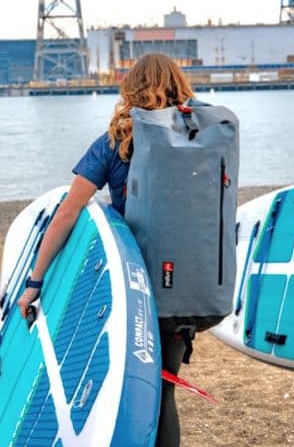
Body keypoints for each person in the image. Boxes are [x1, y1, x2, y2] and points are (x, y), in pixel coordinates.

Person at [17, 52, 195, 447]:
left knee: (125, 390)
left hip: (132, 283)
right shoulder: (201, 137)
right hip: (186, 286)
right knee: (165, 392)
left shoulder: (118, 140)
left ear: (131, 88)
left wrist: (35, 279)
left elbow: (68, 213)